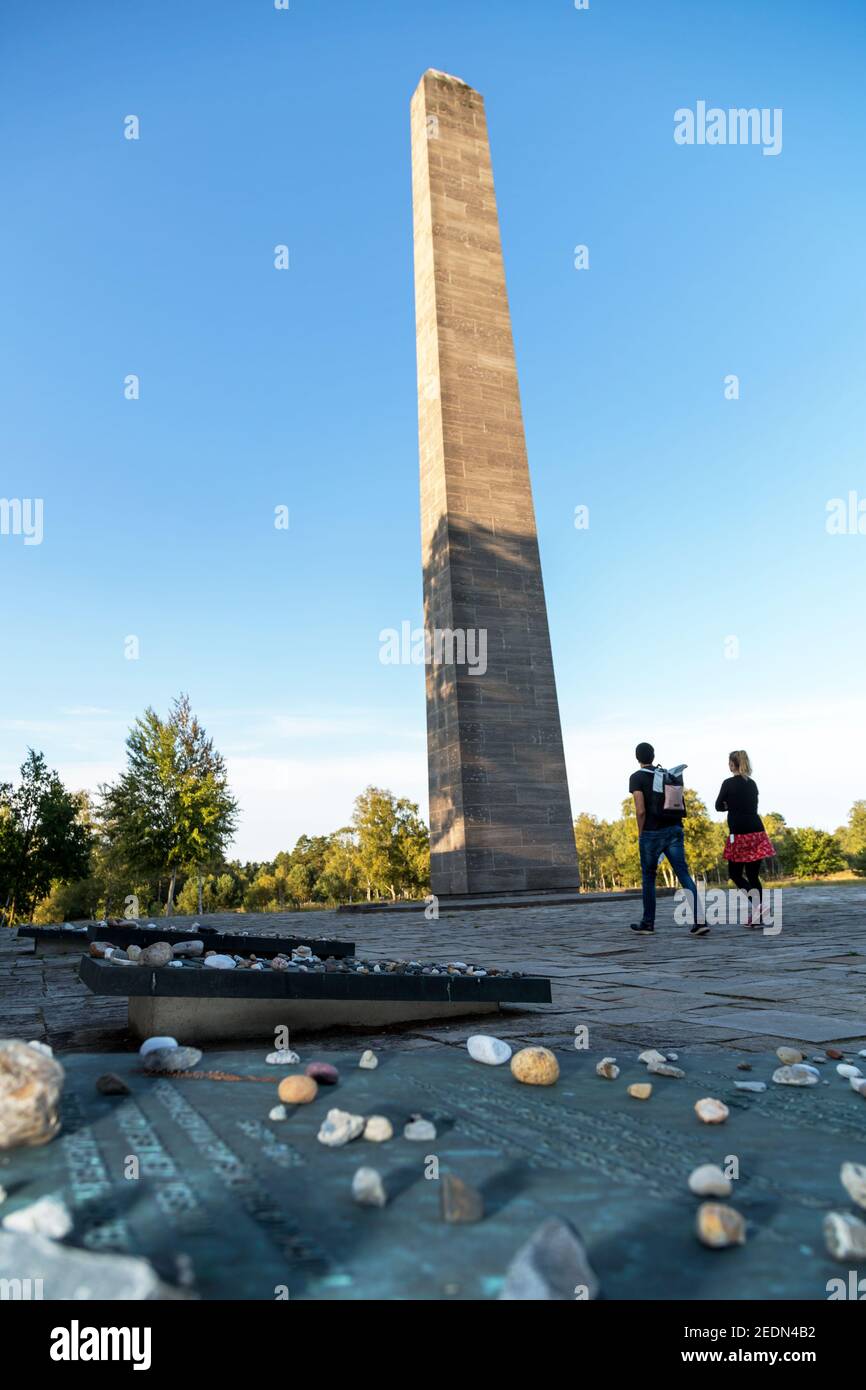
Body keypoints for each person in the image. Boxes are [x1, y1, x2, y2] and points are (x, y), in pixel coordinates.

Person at [628, 742, 708, 936]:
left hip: (651, 833)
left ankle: (648, 923)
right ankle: (699, 921)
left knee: (649, 877)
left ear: (637, 757)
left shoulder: (636, 777)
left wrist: (641, 833)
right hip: (674, 829)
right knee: (683, 874)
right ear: (653, 756)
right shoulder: (664, 774)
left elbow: (640, 810)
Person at [715, 750, 775, 927]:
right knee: (753, 875)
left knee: (734, 873)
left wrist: (730, 805)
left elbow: (718, 806)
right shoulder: (753, 784)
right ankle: (759, 915)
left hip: (739, 834)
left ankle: (759, 907)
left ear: (733, 764)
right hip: (757, 831)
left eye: (729, 762)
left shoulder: (728, 783)